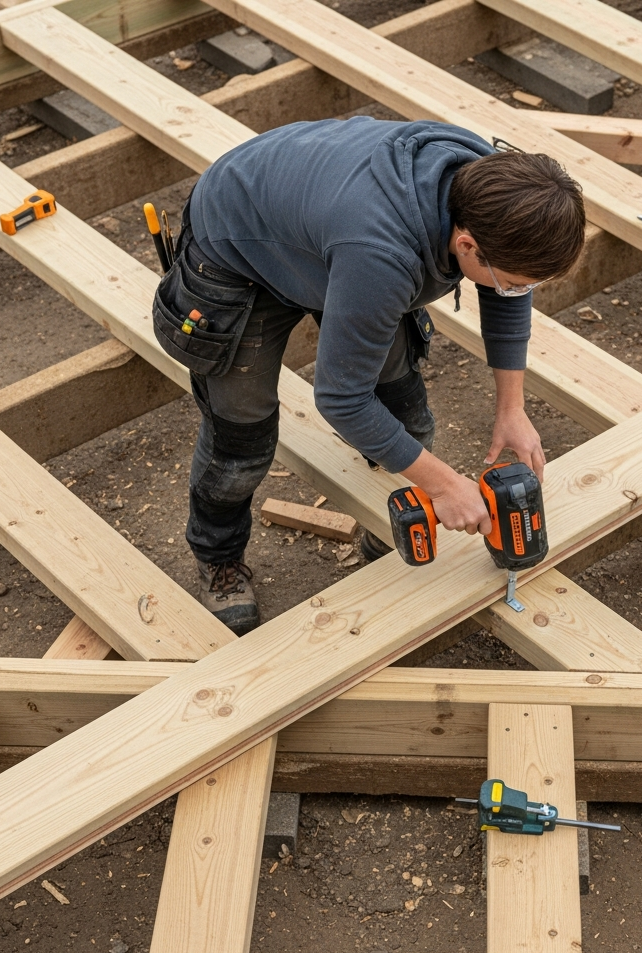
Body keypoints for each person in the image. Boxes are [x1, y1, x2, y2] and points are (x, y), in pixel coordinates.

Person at [152, 117, 586, 634]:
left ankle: (385, 530)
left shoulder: (492, 194)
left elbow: (505, 289)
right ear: (467, 245)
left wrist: (511, 409)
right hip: (238, 245)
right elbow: (340, 398)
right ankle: (218, 556)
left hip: (325, 228)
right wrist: (445, 485)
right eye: (514, 281)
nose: (516, 290)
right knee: (241, 439)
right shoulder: (381, 253)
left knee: (407, 416)